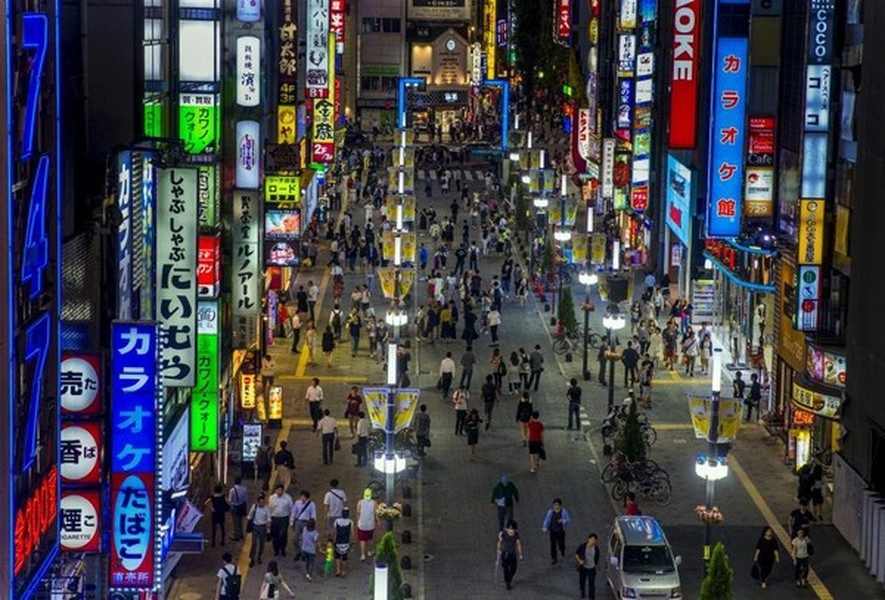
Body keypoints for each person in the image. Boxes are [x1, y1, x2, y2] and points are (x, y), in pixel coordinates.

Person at [496, 520, 524, 591]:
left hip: (513, 554)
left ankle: (509, 578)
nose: (511, 531)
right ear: (507, 529)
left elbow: (518, 544)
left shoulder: (516, 535)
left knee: (513, 568)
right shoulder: (504, 534)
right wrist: (498, 549)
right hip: (505, 553)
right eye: (510, 529)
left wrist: (520, 554)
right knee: (506, 569)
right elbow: (499, 542)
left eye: (513, 529)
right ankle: (507, 582)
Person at [542, 498, 571, 564]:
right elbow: (547, 520)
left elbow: (568, 519)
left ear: (560, 505)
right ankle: (554, 558)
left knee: (561, 543)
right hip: (553, 531)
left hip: (560, 531)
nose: (556, 506)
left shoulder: (563, 511)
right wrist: (545, 527)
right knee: (553, 545)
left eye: (557, 505)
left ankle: (562, 549)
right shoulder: (550, 512)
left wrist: (563, 520)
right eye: (554, 505)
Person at [268, 484, 294, 557]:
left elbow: (292, 509)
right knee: (275, 535)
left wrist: (291, 521)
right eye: (278, 490)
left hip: (284, 518)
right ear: (275, 490)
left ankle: (282, 549)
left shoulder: (288, 498)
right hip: (274, 518)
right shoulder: (271, 498)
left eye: (280, 490)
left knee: (283, 535)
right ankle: (276, 550)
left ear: (283, 490)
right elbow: (269, 509)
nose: (279, 492)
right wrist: (269, 520)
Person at [247, 494, 271, 567]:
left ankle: (259, 556)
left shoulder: (267, 509)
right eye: (260, 502)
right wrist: (249, 519)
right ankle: (252, 558)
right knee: (254, 543)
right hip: (255, 526)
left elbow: (268, 519)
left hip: (263, 527)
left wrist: (268, 528)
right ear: (257, 502)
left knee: (261, 543)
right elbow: (250, 515)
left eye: (263, 502)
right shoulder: (254, 507)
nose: (262, 504)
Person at [575, 533, 600, 599]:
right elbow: (576, 553)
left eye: (594, 540)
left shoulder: (596, 549)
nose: (592, 541)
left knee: (591, 583)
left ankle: (591, 597)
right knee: (582, 580)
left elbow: (597, 557)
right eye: (591, 539)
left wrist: (596, 564)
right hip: (583, 568)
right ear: (588, 539)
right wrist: (580, 561)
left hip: (592, 568)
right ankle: (582, 591)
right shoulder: (583, 547)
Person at [356, 488, 378, 561]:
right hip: (371, 525)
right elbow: (376, 514)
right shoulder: (374, 503)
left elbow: (358, 513)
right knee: (370, 538)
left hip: (362, 524)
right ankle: (370, 551)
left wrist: (358, 521)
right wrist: (378, 521)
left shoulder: (360, 502)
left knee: (362, 540)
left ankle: (363, 555)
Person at [333, 507, 355, 577]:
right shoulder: (350, 522)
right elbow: (352, 533)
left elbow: (335, 531)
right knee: (344, 557)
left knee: (337, 556)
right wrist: (353, 540)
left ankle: (338, 570)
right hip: (346, 542)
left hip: (338, 541)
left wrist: (333, 540)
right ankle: (343, 571)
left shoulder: (337, 521)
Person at [227, 477, 248, 541]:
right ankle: (241, 534)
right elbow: (246, 499)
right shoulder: (244, 489)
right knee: (241, 521)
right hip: (242, 507)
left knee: (236, 522)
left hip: (235, 507)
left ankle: (237, 535)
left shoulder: (232, 490)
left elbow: (230, 500)